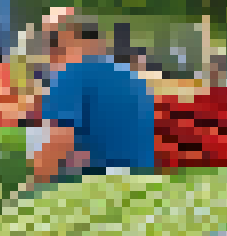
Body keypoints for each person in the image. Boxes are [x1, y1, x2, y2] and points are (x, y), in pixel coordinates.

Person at [33, 21, 155, 182]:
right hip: (143, 181)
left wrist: (33, 186)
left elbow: (59, 140)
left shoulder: (70, 75)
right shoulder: (131, 76)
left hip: (100, 184)